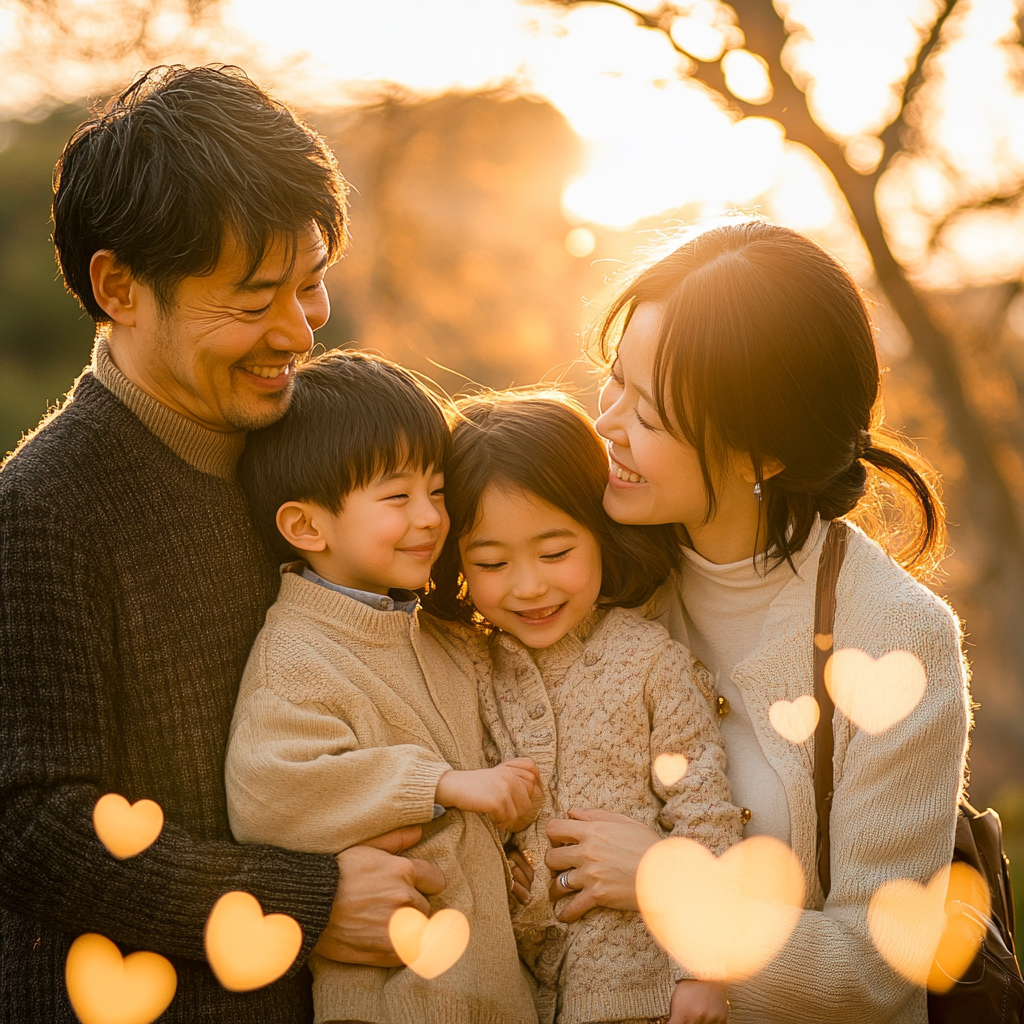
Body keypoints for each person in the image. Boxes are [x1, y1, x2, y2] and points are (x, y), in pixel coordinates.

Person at [0, 66, 444, 1023]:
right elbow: (30, 829)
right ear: (119, 287)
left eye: (312, 284)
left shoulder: (311, 462)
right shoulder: (42, 510)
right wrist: (303, 903)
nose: (297, 329)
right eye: (253, 300)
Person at [542, 220, 971, 1024]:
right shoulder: (593, 582)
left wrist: (666, 882)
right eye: (615, 379)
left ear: (764, 454)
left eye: (652, 415)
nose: (608, 423)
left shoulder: (895, 638)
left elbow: (878, 967)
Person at [225, 351, 540, 1024]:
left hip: (498, 995)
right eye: (398, 498)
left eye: (436, 491)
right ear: (307, 526)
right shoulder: (297, 653)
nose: (430, 517)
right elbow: (268, 791)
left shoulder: (441, 639)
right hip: (394, 1002)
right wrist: (440, 784)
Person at [426, 390, 745, 1024]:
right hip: (518, 995)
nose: (529, 586)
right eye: (490, 562)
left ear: (599, 532)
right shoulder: (465, 664)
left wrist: (706, 967)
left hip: (640, 990)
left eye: (555, 553)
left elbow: (705, 811)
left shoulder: (648, 661)